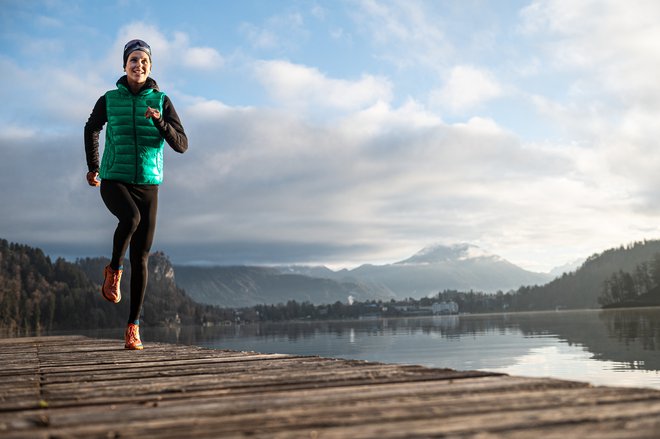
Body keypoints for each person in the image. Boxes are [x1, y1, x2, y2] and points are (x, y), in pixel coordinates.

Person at [84, 39, 188, 350]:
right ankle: (114, 270)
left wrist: (159, 122)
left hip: (148, 183)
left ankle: (133, 327)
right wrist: (93, 166)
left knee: (141, 258)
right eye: (133, 59)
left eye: (144, 60)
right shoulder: (109, 98)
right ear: (124, 65)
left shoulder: (162, 100)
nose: (138, 64)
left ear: (150, 67)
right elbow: (91, 127)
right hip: (114, 177)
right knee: (130, 218)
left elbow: (182, 144)